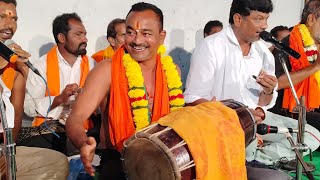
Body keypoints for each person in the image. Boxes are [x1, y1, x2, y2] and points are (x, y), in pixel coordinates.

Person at [184, 0, 318, 179]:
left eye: (266, 19)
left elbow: (264, 102)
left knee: (309, 135)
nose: (265, 25)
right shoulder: (211, 47)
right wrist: (237, 119)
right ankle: (250, 157)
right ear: (238, 19)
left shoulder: (263, 53)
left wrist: (267, 95)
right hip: (222, 124)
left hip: (257, 120)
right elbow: (193, 97)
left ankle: (261, 159)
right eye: (258, 19)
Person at [66, 2, 186, 179]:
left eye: (146, 33)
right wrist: (84, 143)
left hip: (163, 163)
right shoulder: (107, 70)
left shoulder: (172, 71)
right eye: (130, 32)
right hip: (119, 164)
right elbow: (75, 118)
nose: (137, 40)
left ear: (161, 37)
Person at [0, 0, 68, 179]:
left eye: (14, 19)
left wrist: (22, 72)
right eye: (2, 17)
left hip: (1, 150)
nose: (10, 24)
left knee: (56, 162)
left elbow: (15, 119)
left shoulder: (14, 64)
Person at [22, 13, 95, 153]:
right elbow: (29, 107)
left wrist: (86, 98)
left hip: (85, 130)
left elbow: (101, 107)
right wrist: (59, 99)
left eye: (84, 34)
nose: (85, 39)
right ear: (62, 37)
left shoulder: (93, 65)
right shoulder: (41, 66)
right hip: (49, 131)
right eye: (78, 34)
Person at [270, 0, 320, 132]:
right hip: (289, 112)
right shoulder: (287, 45)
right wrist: (315, 66)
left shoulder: (317, 46)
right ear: (311, 19)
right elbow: (278, 82)